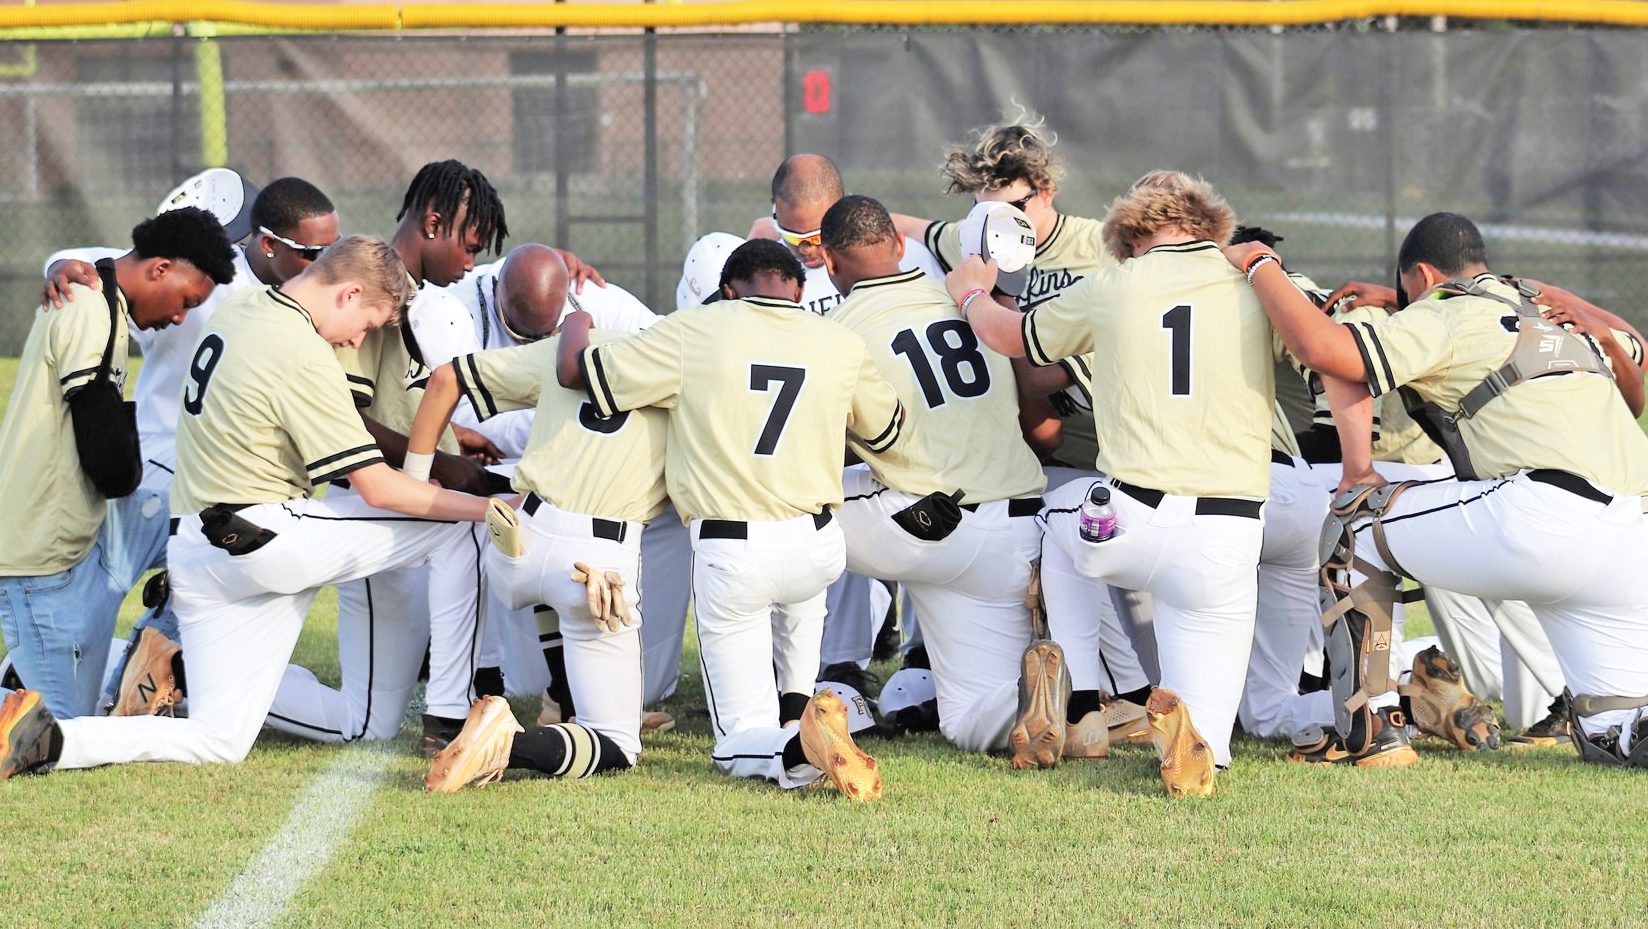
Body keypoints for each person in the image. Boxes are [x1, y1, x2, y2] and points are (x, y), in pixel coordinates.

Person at [0, 236, 498, 779]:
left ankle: (52, 741)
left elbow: (110, 262)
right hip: (262, 535)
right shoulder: (299, 347)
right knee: (461, 524)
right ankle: (449, 721)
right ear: (350, 294)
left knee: (221, 739)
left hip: (196, 553)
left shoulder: (239, 307)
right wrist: (495, 508)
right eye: (368, 324)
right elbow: (378, 489)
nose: (359, 338)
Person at [1228, 211, 1648, 769]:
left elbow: (1327, 350)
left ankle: (1373, 727)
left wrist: (1260, 263)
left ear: (1423, 275)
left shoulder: (1449, 312)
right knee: (1611, 731)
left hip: (1544, 516)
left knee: (1355, 520)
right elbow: (1634, 377)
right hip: (1632, 536)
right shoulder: (1552, 315)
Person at [945, 170, 1294, 796]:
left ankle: (1082, 704)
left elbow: (1008, 337)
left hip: (1133, 519)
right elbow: (1328, 345)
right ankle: (1199, 746)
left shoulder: (1114, 283)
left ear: (1132, 236)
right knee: (1208, 724)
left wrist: (971, 293)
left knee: (1054, 519)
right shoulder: (1255, 281)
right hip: (1231, 530)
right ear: (1210, 225)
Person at [555, 238, 904, 799]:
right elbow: (886, 430)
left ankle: (799, 747)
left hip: (736, 548)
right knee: (797, 630)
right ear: (799, 290)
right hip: (816, 541)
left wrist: (577, 320)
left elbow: (580, 373)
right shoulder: (838, 339)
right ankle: (801, 716)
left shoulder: (696, 328)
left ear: (727, 291)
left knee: (735, 743)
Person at [39, 174, 344, 716]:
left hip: (203, 482)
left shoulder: (291, 299)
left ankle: (144, 670)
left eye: (331, 252)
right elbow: (85, 259)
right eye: (311, 252)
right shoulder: (202, 276)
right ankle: (118, 675)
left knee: (230, 568)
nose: (324, 264)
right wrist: (61, 268)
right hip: (159, 470)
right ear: (266, 244)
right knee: (104, 598)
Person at [270, 160, 509, 749]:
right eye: (469, 245)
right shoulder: (369, 288)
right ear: (433, 223)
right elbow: (344, 419)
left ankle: (185, 669)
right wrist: (444, 466)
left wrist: (456, 443)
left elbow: (401, 403)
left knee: (369, 723)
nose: (472, 263)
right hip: (367, 500)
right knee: (468, 530)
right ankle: (450, 719)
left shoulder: (411, 293)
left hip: (398, 500)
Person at [818, 195, 1053, 762]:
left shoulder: (838, 330)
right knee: (967, 718)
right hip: (1014, 529)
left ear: (828, 262)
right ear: (901, 247)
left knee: (776, 509)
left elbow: (820, 445)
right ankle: (1056, 703)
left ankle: (793, 691)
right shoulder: (962, 297)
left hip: (924, 525)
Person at [408, 309, 670, 789]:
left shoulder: (569, 346)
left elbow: (446, 378)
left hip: (522, 540)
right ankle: (509, 742)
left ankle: (560, 698)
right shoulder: (682, 364)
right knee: (618, 744)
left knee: (552, 585)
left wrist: (414, 477)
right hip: (596, 561)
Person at [0, 206, 235, 720]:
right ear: (160, 269)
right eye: (185, 301)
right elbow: (109, 462)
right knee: (57, 737)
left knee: (222, 531)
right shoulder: (89, 307)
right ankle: (27, 680)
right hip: (42, 562)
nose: (179, 318)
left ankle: (152, 659)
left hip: (78, 538)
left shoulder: (101, 297)